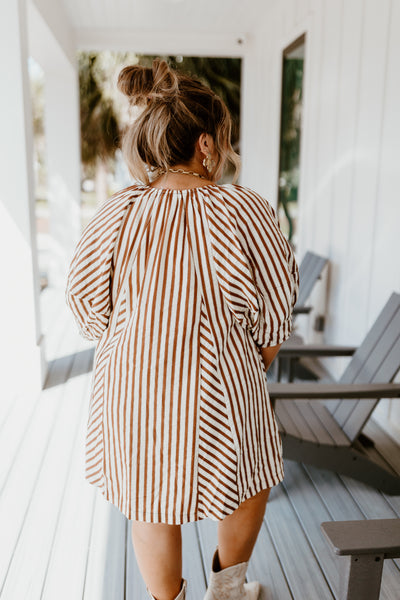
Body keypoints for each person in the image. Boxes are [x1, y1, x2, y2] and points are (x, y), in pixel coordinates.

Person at [65, 58, 299, 600]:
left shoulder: (119, 212)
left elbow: (85, 308)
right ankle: (228, 590)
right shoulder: (245, 210)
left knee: (149, 494)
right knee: (249, 482)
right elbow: (274, 309)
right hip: (222, 379)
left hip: (130, 382)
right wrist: (258, 353)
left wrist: (132, 338)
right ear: (206, 145)